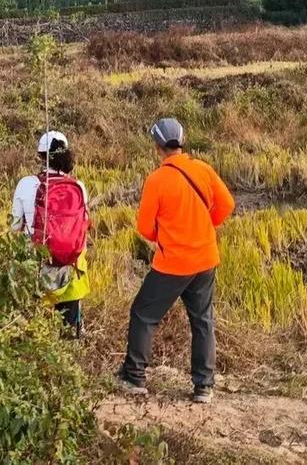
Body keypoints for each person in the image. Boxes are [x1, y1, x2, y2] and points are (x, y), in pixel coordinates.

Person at [117, 117, 235, 403]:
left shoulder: (157, 180)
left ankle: (134, 377)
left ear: (157, 146)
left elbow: (145, 228)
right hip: (205, 259)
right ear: (182, 142)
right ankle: (203, 386)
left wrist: (165, 235)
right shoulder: (203, 169)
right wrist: (206, 225)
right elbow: (227, 204)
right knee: (203, 320)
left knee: (143, 314)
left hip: (172, 263)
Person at [12, 130, 90, 334]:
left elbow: (15, 227)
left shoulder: (26, 184)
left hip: (37, 266)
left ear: (41, 156)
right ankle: (72, 338)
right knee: (69, 332)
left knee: (33, 327)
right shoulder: (79, 187)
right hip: (70, 267)